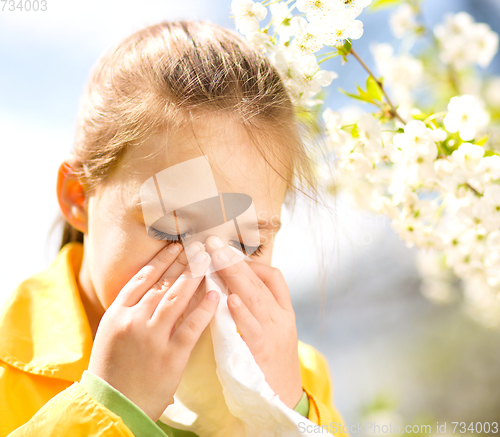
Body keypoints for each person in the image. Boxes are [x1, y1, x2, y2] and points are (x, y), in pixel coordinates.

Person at [0, 20, 348, 437]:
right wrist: (110, 408)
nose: (207, 275)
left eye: (245, 243)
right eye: (175, 234)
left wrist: (285, 414)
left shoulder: (300, 373)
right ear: (79, 196)